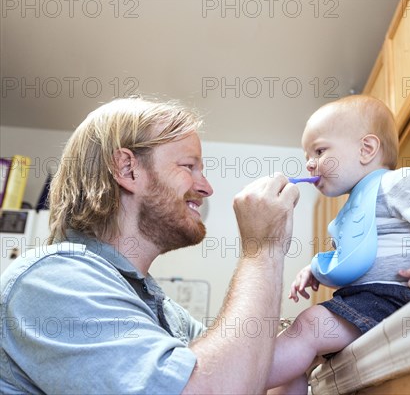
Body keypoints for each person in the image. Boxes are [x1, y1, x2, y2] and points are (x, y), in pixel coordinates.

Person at [0, 97, 300, 394]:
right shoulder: (54, 282)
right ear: (128, 169)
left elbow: (240, 371)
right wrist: (262, 249)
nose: (206, 187)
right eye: (189, 166)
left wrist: (313, 332)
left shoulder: (162, 310)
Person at [266, 95, 410, 394]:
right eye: (307, 155)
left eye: (320, 150)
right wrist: (313, 269)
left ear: (366, 149)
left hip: (390, 297)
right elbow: (353, 257)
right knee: (300, 359)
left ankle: (239, 381)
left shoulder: (395, 183)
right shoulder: (354, 207)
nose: (310, 164)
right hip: (363, 299)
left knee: (307, 326)